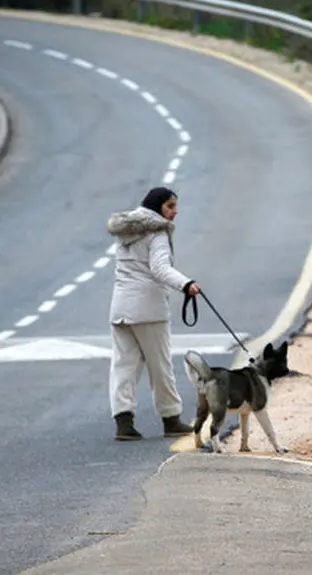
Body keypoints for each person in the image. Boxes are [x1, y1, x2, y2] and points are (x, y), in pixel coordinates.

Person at [105, 186, 201, 441]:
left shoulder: (125, 232)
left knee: (123, 366)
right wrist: (186, 284)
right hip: (148, 310)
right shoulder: (157, 233)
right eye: (170, 206)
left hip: (120, 309)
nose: (175, 212)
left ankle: (123, 422)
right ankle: (171, 418)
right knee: (161, 367)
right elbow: (159, 268)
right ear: (156, 206)